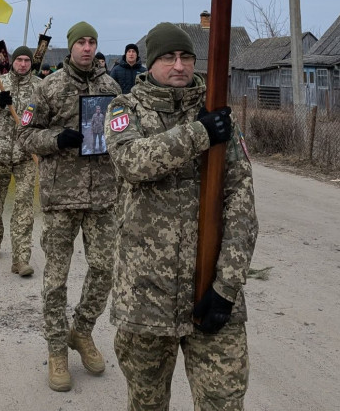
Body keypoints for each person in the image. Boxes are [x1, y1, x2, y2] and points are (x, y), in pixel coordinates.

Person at [104, 23, 258, 411]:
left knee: (224, 400)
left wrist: (228, 286)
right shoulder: (125, 108)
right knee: (147, 402)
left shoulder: (217, 112)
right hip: (145, 297)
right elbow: (131, 162)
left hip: (209, 289)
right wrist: (199, 134)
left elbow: (241, 200)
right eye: (168, 58)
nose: (178, 66)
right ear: (150, 63)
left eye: (186, 57)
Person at [18, 21, 120, 393]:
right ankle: (57, 349)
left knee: (104, 269)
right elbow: (24, 133)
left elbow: (123, 132)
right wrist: (57, 138)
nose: (87, 48)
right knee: (56, 279)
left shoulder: (111, 87)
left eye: (93, 41)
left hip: (102, 197)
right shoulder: (49, 87)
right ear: (71, 46)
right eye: (81, 42)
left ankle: (82, 330)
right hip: (61, 197)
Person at [0, 46, 39, 276]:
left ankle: (21, 258)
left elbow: (48, 115)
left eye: (26, 60)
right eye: (19, 60)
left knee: (24, 206)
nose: (23, 64)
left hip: (25, 155)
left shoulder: (39, 87)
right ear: (12, 61)